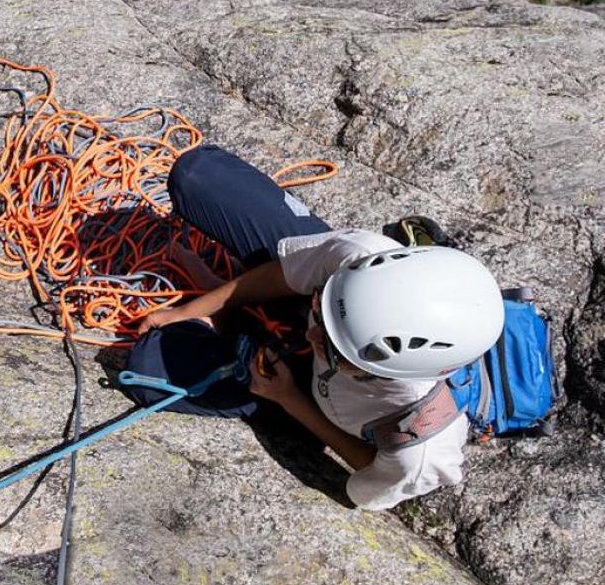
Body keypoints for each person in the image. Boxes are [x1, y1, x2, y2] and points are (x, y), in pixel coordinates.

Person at [137, 145, 504, 510]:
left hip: (304, 397)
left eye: (333, 347)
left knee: (145, 369)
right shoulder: (361, 256)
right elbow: (281, 276)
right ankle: (248, 322)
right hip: (319, 310)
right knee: (197, 175)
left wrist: (289, 399)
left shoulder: (422, 445)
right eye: (322, 313)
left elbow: (365, 473)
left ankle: (239, 334)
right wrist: (194, 307)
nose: (313, 335)